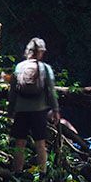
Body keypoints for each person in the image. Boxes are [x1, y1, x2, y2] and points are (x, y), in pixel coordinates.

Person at [8, 38, 60, 173]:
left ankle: (16, 173)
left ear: (28, 51)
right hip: (39, 110)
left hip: (21, 110)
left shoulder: (19, 67)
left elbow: (12, 91)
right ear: (41, 52)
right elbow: (51, 91)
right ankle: (42, 173)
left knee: (20, 143)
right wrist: (55, 110)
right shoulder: (45, 68)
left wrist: (10, 110)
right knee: (40, 143)